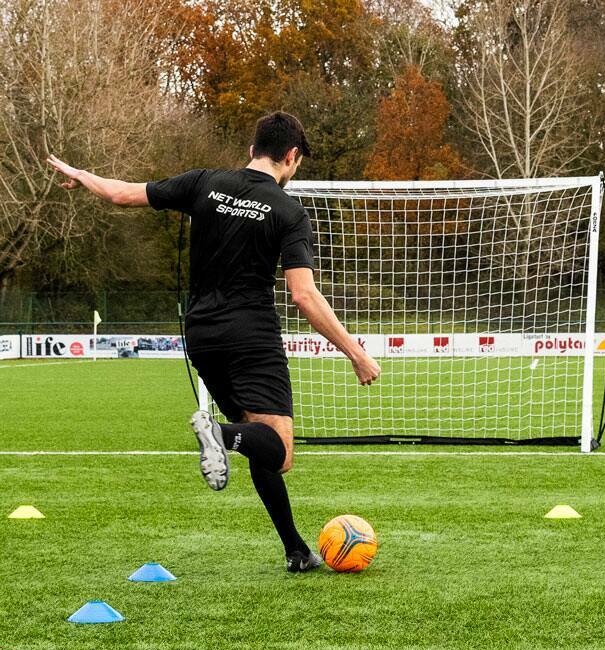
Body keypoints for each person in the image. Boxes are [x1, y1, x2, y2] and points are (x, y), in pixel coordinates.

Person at [47, 111, 381, 573]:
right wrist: (355, 351)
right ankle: (219, 436)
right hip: (251, 336)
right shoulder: (288, 211)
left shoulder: (205, 183)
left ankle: (295, 549)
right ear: (292, 156)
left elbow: (123, 195)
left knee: (256, 437)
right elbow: (303, 293)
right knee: (278, 451)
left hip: (200, 335)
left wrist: (80, 174)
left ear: (251, 150)